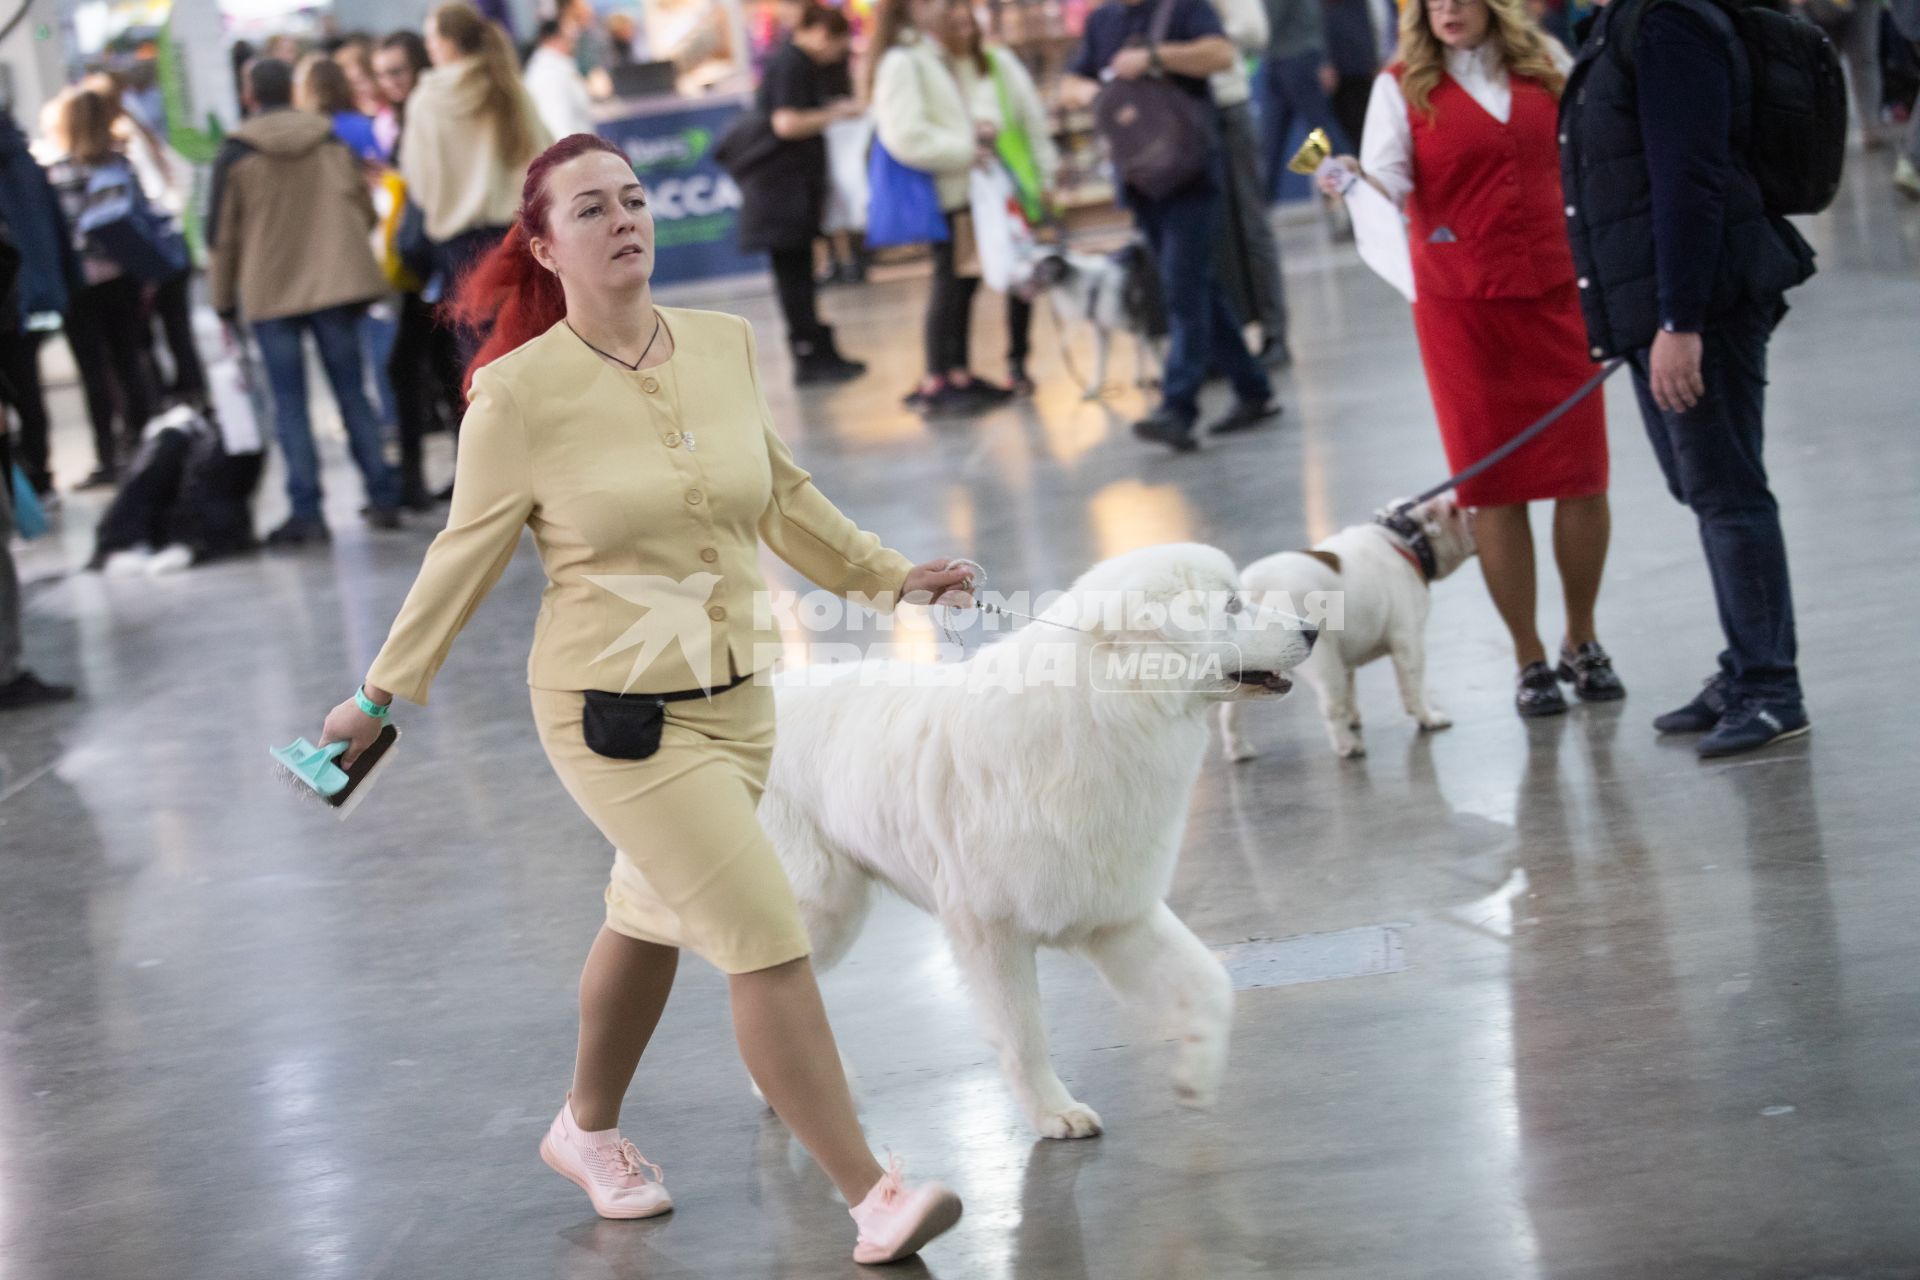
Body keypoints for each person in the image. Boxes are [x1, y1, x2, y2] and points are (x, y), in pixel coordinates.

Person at [313, 132, 973, 1264]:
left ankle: (584, 1126)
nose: (625, 219)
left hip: (738, 696)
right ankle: (871, 1194)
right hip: (611, 715)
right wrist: (377, 694)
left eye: (634, 198)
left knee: (648, 917)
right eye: (591, 209)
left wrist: (884, 573)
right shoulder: (514, 395)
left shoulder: (722, 343)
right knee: (765, 932)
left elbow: (780, 491)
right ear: (543, 245)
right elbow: (461, 556)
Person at [1328, 0, 1618, 717]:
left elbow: (1597, 152)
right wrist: (1348, 180)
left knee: (1583, 476)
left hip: (1560, 294)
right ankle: (1528, 657)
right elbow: (1386, 189)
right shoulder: (1399, 87)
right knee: (1495, 487)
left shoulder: (1548, 63)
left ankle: (1582, 637)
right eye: (1430, 0)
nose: (1447, 10)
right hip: (1463, 312)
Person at [1562, 0, 1816, 757]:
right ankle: (1746, 666)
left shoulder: (1668, 22)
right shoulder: (1617, 23)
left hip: (1699, 307)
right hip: (1654, 308)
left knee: (1729, 492)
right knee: (1702, 488)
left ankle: (1772, 688)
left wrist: (1681, 321)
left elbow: (1690, 177)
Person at [1063, 0, 1281, 451]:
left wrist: (1156, 58)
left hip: (1191, 171)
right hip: (1141, 177)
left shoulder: (1183, 8)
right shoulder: (1104, 21)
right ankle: (1253, 389)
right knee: (1197, 284)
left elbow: (1222, 55)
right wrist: (1096, 93)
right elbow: (1071, 82)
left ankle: (1178, 406)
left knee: (1181, 286)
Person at [207, 57, 404, 544]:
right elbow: (363, 207)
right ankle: (383, 495)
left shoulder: (235, 153)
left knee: (289, 405)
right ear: (291, 91)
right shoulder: (328, 139)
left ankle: (307, 513)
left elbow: (221, 236)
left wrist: (222, 302)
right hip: (336, 288)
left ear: (250, 94)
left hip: (271, 294)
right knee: (352, 392)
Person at [868, 0, 1016, 415]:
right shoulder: (902, 61)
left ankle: (957, 371)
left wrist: (974, 133)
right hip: (942, 190)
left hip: (958, 187)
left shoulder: (928, 55)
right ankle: (938, 376)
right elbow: (906, 135)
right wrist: (967, 150)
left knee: (962, 281)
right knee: (949, 281)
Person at [402, 2, 554, 368]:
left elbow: (419, 183)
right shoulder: (507, 86)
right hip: (517, 235)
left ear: (449, 43)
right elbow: (546, 157)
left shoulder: (426, 101)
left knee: (482, 356)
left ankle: (498, 426)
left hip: (459, 247)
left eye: (431, 39)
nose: (429, 48)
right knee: (535, 337)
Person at [738, 4, 869, 385]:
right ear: (823, 34)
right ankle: (809, 354)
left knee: (799, 274)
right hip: (781, 191)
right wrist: (836, 115)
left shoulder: (793, 63)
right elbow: (787, 122)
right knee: (794, 276)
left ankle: (815, 349)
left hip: (789, 189)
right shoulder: (791, 63)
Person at [938, 0, 1060, 394]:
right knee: (961, 281)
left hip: (1010, 187)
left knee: (1019, 275)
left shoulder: (997, 63)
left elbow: (1032, 120)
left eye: (967, 25)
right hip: (961, 193)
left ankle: (1018, 363)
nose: (963, 34)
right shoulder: (935, 72)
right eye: (953, 27)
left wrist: (1046, 176)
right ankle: (957, 368)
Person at [43, 88, 161, 489]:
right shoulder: (119, 165)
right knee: (130, 362)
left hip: (81, 286)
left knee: (93, 373)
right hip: (123, 278)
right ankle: (144, 447)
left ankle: (107, 455)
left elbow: (63, 234)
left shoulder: (58, 174)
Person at [80, 71, 207, 412]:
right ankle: (187, 392)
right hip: (162, 240)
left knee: (153, 335)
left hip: (152, 246)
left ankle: (180, 397)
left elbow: (144, 200)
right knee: (168, 330)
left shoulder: (124, 146)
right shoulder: (131, 137)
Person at [375, 29, 465, 509]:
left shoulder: (429, 118)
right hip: (423, 266)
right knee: (433, 368)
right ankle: (436, 474)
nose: (389, 82)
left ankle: (422, 478)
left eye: (397, 71)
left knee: (424, 367)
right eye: (382, 74)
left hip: (440, 261)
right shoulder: (407, 120)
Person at [1208, 0, 1292, 368]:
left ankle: (1274, 332)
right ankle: (1217, 341)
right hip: (1179, 117)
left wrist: (1194, 44)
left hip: (1229, 108)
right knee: (1203, 237)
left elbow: (1254, 29)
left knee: (1251, 225)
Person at [0, 107, 73, 497]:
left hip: (12, 298)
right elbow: (54, 225)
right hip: (30, 297)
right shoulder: (24, 160)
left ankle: (16, 489)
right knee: (28, 389)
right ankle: (40, 477)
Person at [1258, 0, 1352, 199]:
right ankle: (1257, 217)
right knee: (1270, 144)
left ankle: (1353, 191)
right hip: (1281, 59)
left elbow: (1266, 22)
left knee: (1321, 135)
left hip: (1297, 59)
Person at [524, 16, 600, 140]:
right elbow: (558, 125)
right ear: (553, 39)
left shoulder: (557, 68)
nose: (573, 45)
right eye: (569, 39)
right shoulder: (548, 73)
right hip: (569, 153)